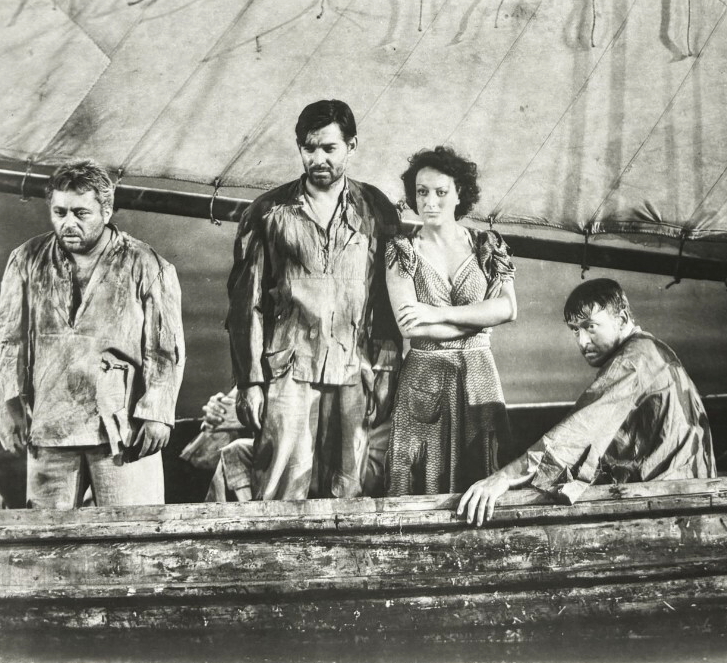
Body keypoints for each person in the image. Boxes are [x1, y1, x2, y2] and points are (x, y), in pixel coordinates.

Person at [227, 100, 401, 500]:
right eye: (309, 148)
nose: (318, 159)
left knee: (349, 485)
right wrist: (250, 382)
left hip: (355, 367)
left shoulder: (376, 209)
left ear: (351, 146)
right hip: (287, 369)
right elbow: (246, 305)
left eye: (329, 148)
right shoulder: (267, 212)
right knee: (280, 485)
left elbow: (387, 301)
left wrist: (386, 370)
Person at [0, 160, 184, 509]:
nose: (68, 223)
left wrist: (158, 413)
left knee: (134, 532)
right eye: (59, 212)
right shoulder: (26, 260)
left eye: (81, 213)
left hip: (123, 429)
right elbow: (9, 341)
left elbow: (164, 349)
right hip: (50, 425)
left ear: (106, 210)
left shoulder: (147, 264)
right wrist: (7, 406)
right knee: (49, 537)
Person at [458, 278, 715, 526]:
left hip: (676, 503)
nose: (582, 342)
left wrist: (504, 477)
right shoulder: (649, 348)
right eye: (575, 330)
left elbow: (575, 433)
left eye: (590, 327)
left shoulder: (633, 361)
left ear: (622, 319)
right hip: (688, 491)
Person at [385, 146, 517, 496]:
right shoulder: (402, 250)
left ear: (460, 194)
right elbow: (410, 327)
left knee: (485, 480)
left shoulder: (488, 245)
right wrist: (480, 320)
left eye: (440, 192)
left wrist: (437, 313)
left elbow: (508, 308)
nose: (430, 202)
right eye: (422, 192)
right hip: (425, 384)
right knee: (421, 486)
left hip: (480, 380)